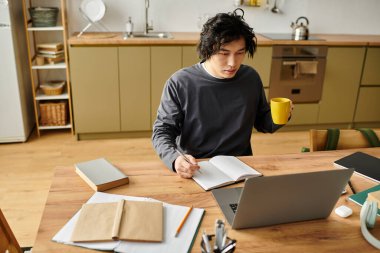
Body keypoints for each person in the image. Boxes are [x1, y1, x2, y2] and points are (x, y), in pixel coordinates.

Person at [152, 8, 292, 178]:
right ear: (208, 49)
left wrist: (283, 115)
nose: (233, 63)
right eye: (224, 53)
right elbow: (162, 131)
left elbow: (264, 124)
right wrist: (175, 160)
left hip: (242, 166)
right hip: (197, 166)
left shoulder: (250, 78)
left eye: (240, 53)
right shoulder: (180, 82)